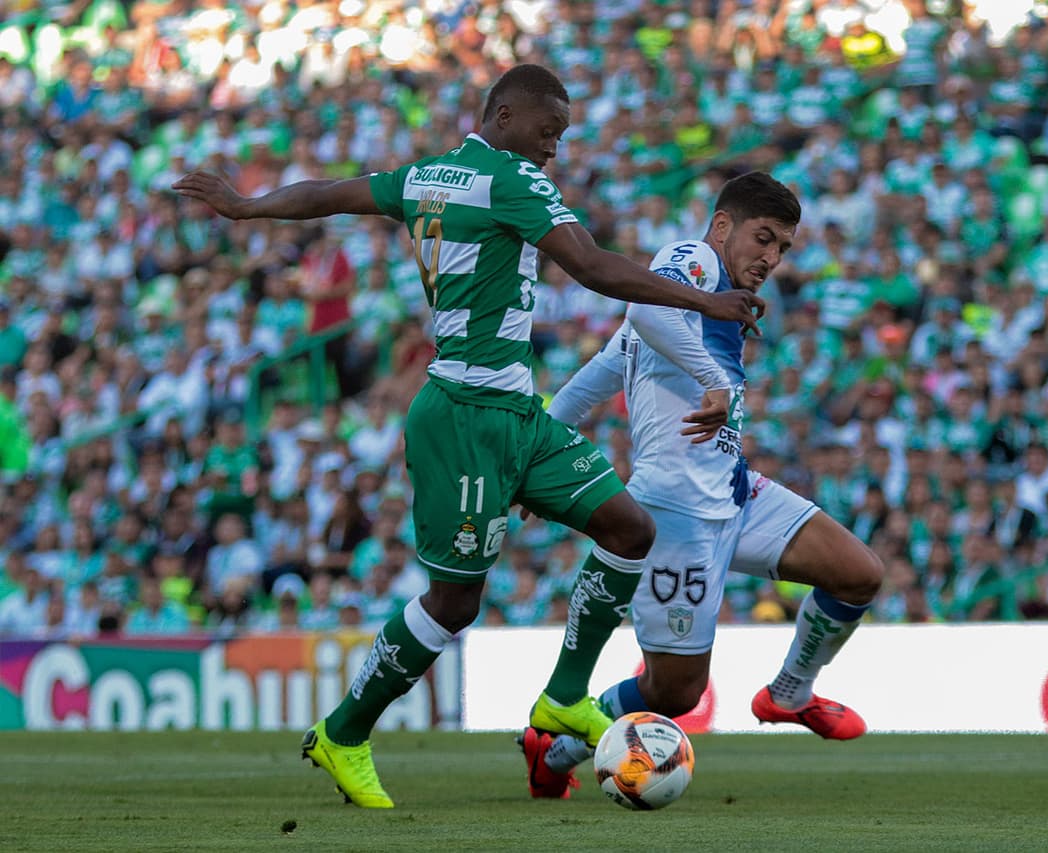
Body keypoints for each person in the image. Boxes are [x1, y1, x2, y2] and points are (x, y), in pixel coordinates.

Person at [173, 64, 764, 809]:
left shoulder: (429, 175)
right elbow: (591, 265)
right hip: (463, 416)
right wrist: (702, 297)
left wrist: (249, 207)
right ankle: (344, 732)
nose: (553, 150)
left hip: (517, 410)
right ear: (505, 113)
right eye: (548, 132)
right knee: (455, 603)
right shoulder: (512, 181)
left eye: (561, 138)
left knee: (627, 526)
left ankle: (561, 699)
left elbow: (336, 192)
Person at [520, 172, 884, 798]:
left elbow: (590, 382)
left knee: (858, 573)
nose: (770, 259)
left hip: (736, 494)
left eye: (783, 249)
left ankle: (788, 694)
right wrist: (714, 377)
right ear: (722, 227)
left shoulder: (690, 310)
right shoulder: (690, 262)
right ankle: (553, 749)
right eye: (762, 239)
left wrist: (536, 459)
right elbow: (645, 307)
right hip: (675, 515)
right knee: (677, 693)